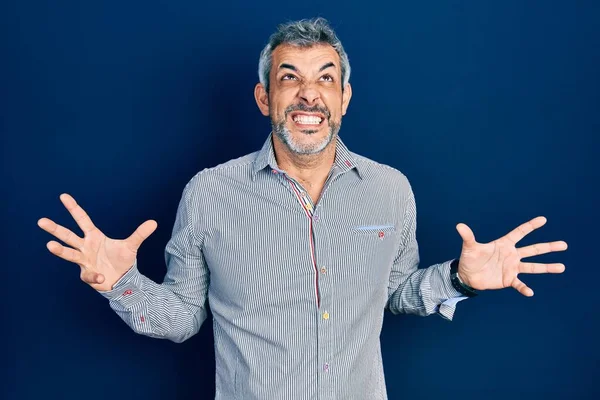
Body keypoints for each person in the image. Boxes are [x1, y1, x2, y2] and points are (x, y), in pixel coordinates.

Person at [37, 17, 567, 400]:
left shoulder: (390, 189)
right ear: (265, 98)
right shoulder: (209, 193)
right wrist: (120, 282)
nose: (308, 94)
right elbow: (180, 318)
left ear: (344, 98)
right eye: (290, 77)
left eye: (325, 79)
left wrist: (459, 279)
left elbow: (396, 294)